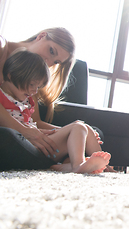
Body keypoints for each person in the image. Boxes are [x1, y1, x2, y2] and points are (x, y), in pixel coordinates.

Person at [0, 49, 111, 173]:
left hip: (39, 143)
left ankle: (103, 168)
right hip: (26, 145)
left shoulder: (27, 100)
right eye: (32, 84)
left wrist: (62, 130)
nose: (35, 91)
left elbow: (34, 124)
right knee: (78, 128)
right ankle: (78, 165)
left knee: (84, 127)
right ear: (11, 75)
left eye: (37, 87)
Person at [0, 27, 76, 157]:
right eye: (51, 51)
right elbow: (27, 129)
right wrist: (23, 131)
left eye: (56, 62)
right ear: (41, 36)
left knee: (84, 132)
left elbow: (34, 122)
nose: (48, 62)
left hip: (20, 134)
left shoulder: (33, 75)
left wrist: (71, 131)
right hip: (8, 133)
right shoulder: (2, 47)